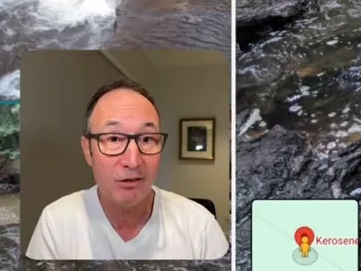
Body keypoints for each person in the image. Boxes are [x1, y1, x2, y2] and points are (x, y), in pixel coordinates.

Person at [25, 79, 229, 260]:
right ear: (88, 150)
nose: (133, 161)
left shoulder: (200, 227)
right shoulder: (56, 222)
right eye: (114, 138)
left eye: (147, 139)